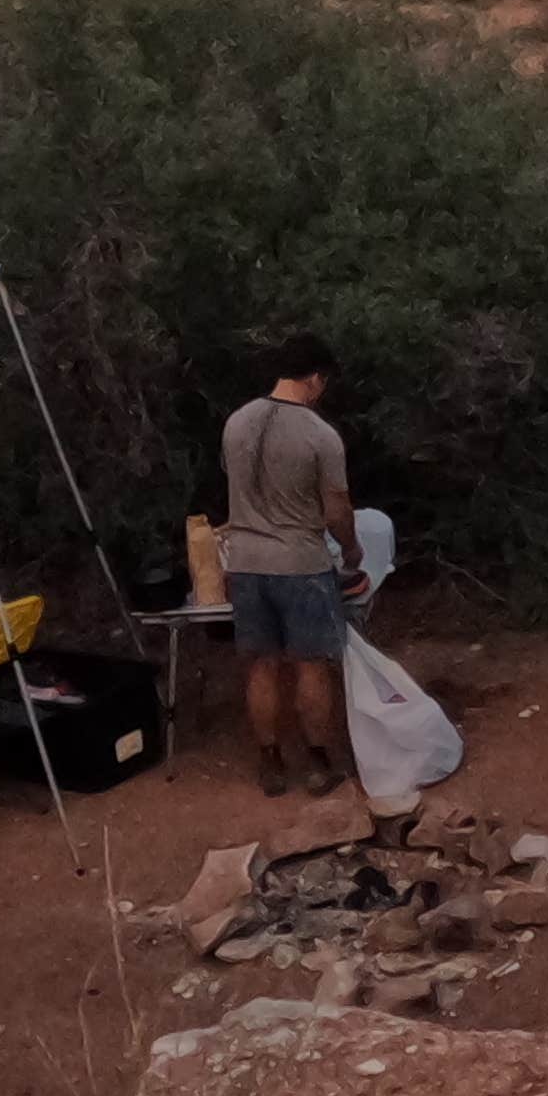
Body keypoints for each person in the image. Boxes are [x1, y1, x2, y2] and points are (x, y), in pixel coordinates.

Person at [215, 335, 364, 797]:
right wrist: (352, 549)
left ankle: (270, 762)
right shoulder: (320, 435)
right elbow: (337, 508)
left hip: (244, 564)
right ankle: (318, 762)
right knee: (310, 665)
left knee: (260, 665)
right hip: (300, 563)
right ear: (315, 378)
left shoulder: (236, 422)